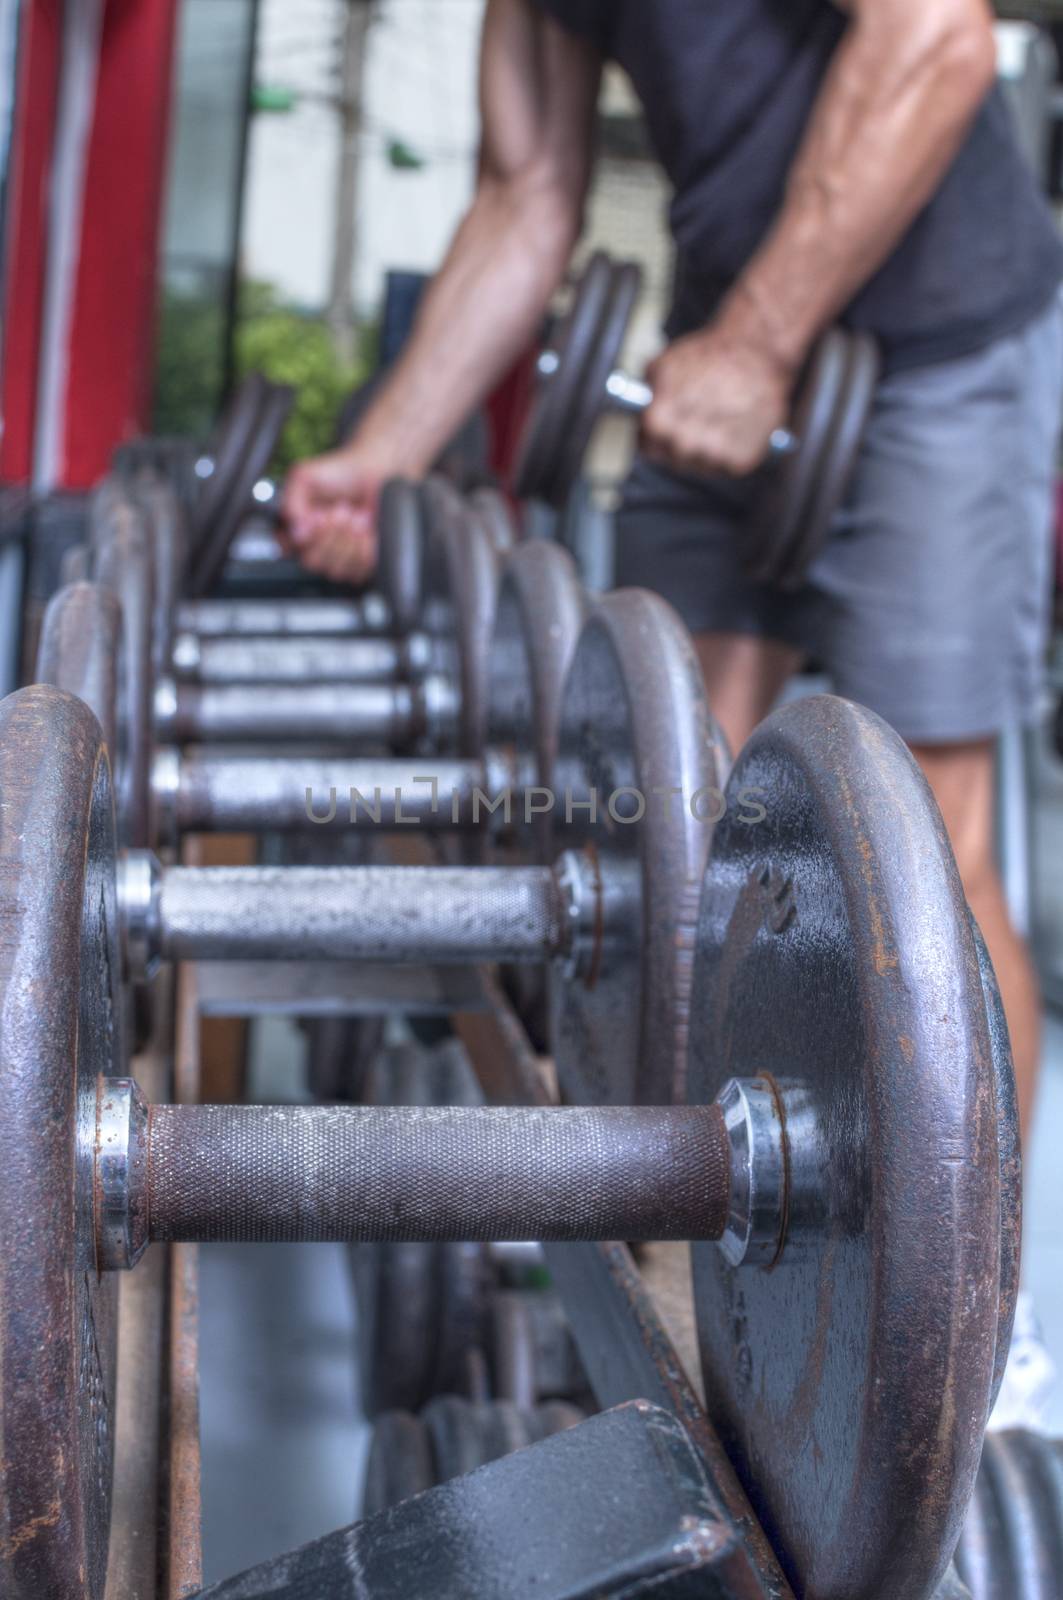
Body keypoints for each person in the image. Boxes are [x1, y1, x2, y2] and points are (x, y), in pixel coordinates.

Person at [282, 0, 1063, 1168]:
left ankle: (979, 1328)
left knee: (930, 852)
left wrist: (757, 345)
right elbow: (523, 197)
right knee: (672, 814)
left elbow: (933, 38)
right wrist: (382, 453)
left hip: (935, 349)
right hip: (723, 347)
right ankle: (706, 1221)